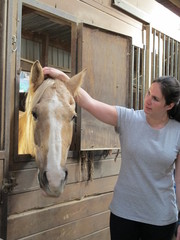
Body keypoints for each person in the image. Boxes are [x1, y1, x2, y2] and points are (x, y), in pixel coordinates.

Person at [43, 66, 180, 240]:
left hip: (161, 218)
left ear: (169, 105)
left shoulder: (177, 132)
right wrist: (62, 76)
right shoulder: (128, 119)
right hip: (124, 214)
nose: (147, 101)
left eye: (155, 99)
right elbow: (90, 103)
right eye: (148, 93)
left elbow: (179, 180)